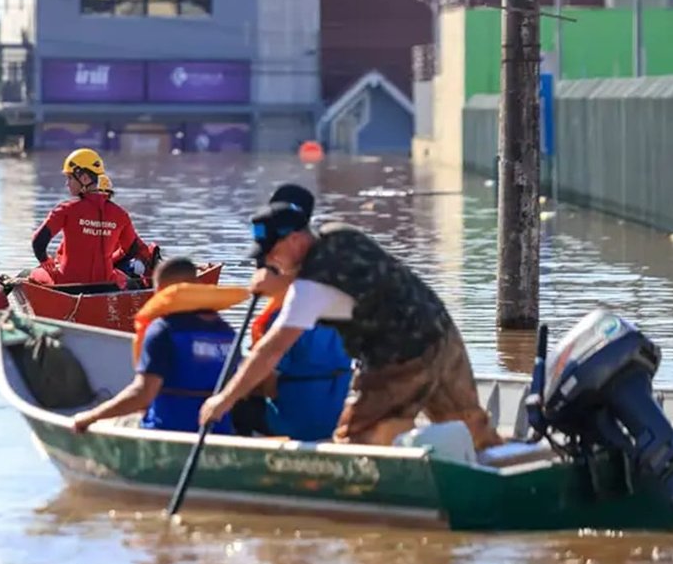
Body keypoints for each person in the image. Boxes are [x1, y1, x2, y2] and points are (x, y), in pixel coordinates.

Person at [199, 183, 504, 450]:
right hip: (441, 333)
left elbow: (270, 351)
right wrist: (281, 282)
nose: (268, 261)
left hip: (400, 358)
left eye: (270, 252)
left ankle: (370, 497)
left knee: (353, 441)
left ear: (294, 240)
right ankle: (501, 469)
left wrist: (223, 400)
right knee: (470, 425)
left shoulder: (308, 291)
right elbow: (344, 280)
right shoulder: (341, 233)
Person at [71, 257, 238, 435]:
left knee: (108, 423)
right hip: (217, 432)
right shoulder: (227, 332)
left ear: (161, 292)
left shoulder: (163, 330)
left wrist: (90, 417)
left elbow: (143, 394)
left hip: (165, 430)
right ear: (198, 285)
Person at [30, 148, 150, 289]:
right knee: (125, 279)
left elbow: (38, 242)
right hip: (106, 284)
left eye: (69, 178)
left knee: (33, 274)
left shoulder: (66, 209)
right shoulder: (120, 214)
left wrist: (45, 261)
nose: (67, 184)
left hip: (67, 284)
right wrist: (111, 260)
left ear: (84, 178)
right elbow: (131, 249)